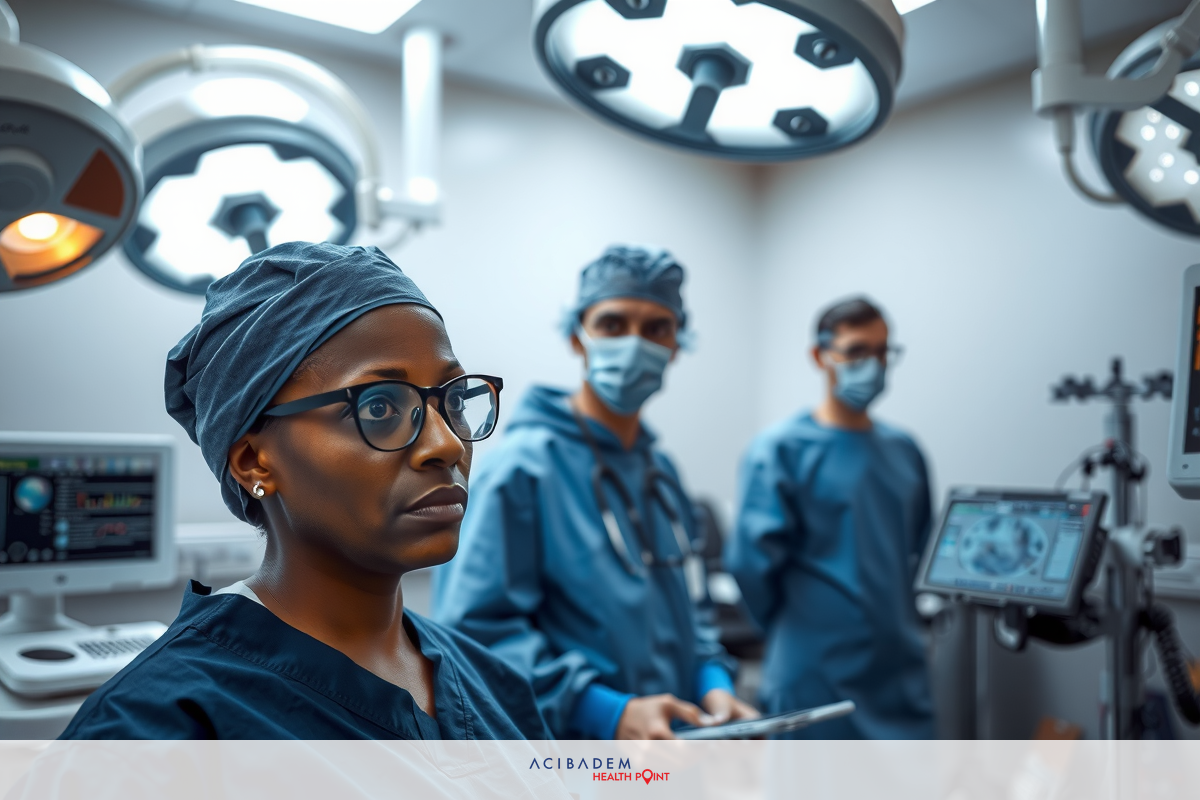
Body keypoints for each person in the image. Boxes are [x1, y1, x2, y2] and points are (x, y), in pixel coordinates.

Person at [61, 242, 550, 740]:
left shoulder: (495, 686)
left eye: (454, 401)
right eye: (379, 408)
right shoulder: (156, 729)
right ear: (254, 461)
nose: (447, 444)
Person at [433, 245, 757, 740]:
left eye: (657, 328)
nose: (635, 343)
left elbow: (693, 606)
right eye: (612, 324)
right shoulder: (522, 469)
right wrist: (605, 711)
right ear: (577, 336)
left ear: (676, 344)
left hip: (674, 743)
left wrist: (713, 683)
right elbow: (475, 633)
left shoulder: (661, 472)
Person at [726, 297, 935, 739]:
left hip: (897, 670)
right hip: (814, 672)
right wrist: (801, 631)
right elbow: (750, 568)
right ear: (820, 356)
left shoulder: (905, 451)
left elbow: (917, 552)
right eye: (857, 351)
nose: (873, 365)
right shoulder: (781, 450)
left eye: (882, 352)